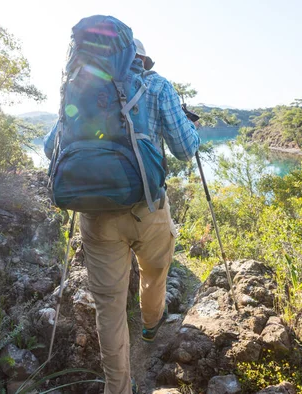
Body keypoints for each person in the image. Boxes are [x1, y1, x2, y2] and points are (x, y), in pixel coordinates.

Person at [45, 35, 199, 394]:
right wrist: (190, 124)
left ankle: (118, 388)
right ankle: (149, 324)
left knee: (109, 307)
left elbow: (49, 147)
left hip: (96, 216)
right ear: (141, 59)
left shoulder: (78, 86)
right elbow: (185, 149)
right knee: (155, 271)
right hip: (148, 206)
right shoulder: (157, 86)